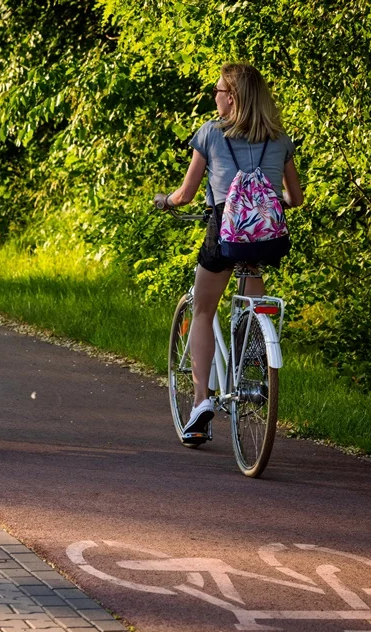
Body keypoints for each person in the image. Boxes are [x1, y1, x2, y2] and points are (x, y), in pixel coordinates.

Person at [154, 63, 304, 440]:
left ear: (232, 97)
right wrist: (271, 202)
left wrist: (166, 201)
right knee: (252, 298)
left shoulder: (210, 134)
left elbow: (186, 194)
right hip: (265, 237)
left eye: (219, 91)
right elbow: (295, 198)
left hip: (224, 230)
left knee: (203, 311)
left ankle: (201, 400)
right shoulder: (279, 138)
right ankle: (251, 353)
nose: (215, 97)